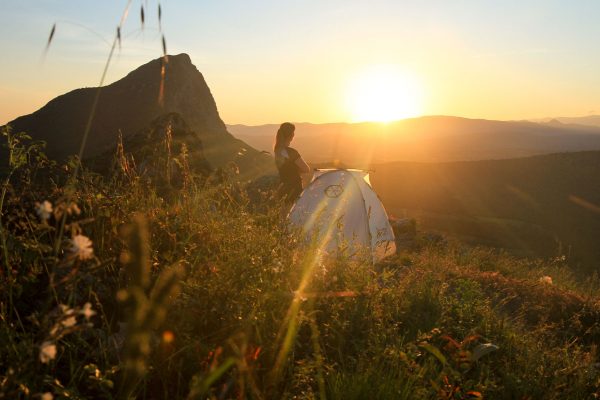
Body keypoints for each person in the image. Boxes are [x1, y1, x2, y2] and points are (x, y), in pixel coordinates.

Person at [274, 122, 310, 203]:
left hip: (283, 187)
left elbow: (284, 168)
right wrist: (297, 171)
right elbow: (306, 169)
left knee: (285, 212)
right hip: (295, 188)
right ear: (291, 135)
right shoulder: (291, 152)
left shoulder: (277, 150)